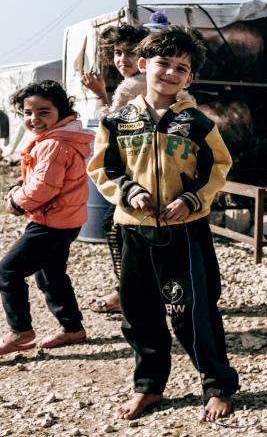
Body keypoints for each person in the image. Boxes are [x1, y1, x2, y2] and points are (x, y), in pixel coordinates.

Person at [87, 26, 238, 421]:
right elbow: (103, 167)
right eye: (163, 63)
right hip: (133, 230)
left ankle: (217, 385)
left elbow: (218, 167)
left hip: (185, 231)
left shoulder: (197, 123)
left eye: (181, 68)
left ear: (190, 78)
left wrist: (192, 199)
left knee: (194, 311)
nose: (171, 72)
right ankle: (149, 387)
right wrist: (129, 192)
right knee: (139, 313)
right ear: (142, 65)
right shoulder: (117, 121)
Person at [0, 81, 93, 354]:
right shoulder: (59, 137)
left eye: (43, 112)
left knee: (7, 271)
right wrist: (20, 182)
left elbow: (44, 188)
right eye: (28, 113)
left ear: (60, 112)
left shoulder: (54, 143)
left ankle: (20, 331)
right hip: (66, 219)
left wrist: (17, 200)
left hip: (51, 221)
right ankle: (72, 328)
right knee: (50, 275)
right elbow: (45, 175)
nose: (34, 119)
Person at [81, 23, 149, 314]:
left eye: (130, 52)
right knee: (125, 229)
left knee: (116, 227)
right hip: (142, 164)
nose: (122, 59)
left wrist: (99, 94)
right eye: (118, 53)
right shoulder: (143, 81)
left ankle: (128, 293)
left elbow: (111, 122)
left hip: (135, 167)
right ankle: (134, 290)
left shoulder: (133, 84)